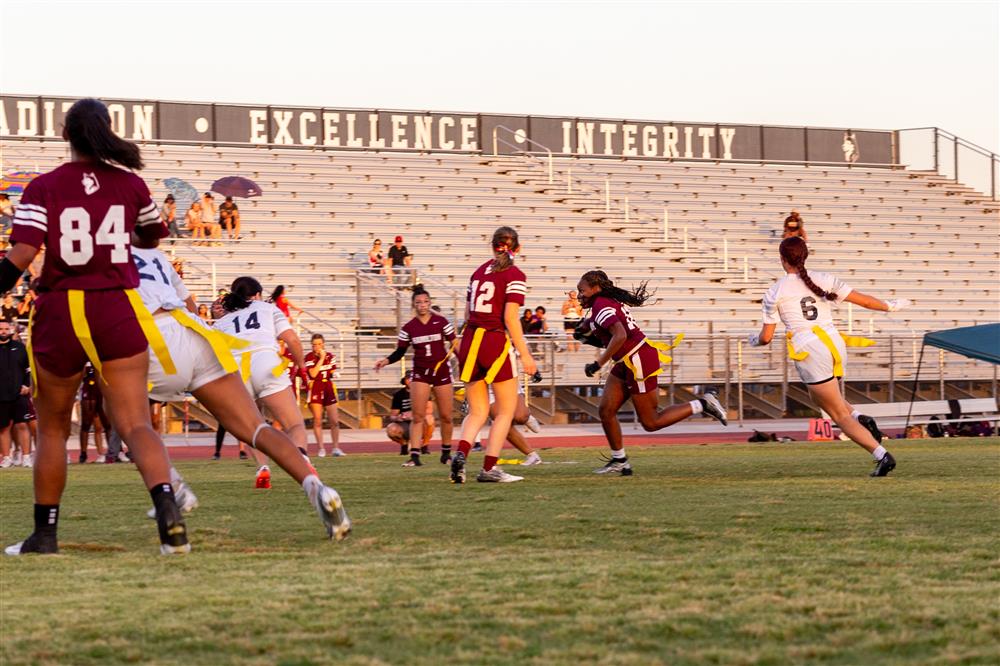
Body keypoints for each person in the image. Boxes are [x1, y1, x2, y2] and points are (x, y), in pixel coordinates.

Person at [0, 97, 191, 555]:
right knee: (135, 423)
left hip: (62, 309)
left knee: (50, 429)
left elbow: (22, 256)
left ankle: (45, 535)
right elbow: (152, 234)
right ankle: (167, 509)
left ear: (66, 134)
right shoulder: (130, 184)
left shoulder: (44, 186)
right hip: (116, 307)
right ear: (106, 131)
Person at [131, 239, 348, 538]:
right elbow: (192, 306)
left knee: (130, 421)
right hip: (211, 343)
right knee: (272, 426)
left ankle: (176, 487)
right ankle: (315, 484)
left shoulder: (105, 253)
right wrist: (301, 368)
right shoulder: (157, 257)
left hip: (181, 348)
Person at [746, 236, 911, 477]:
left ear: (782, 260)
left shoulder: (776, 290)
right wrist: (891, 306)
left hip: (810, 350)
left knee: (836, 414)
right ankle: (860, 417)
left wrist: (754, 340)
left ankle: (882, 455)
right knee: (822, 399)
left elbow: (766, 337)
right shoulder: (824, 278)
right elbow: (864, 300)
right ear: (805, 256)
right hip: (834, 343)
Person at [575, 270, 728, 475]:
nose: (579, 295)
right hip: (627, 360)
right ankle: (620, 460)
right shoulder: (601, 304)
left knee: (651, 421)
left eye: (581, 290)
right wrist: (584, 334)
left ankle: (703, 403)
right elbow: (610, 336)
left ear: (595, 289)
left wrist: (598, 363)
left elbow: (619, 335)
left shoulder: (601, 304)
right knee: (606, 411)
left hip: (638, 359)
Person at [212, 278, 344, 500]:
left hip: (238, 371)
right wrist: (302, 366)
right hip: (266, 362)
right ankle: (301, 458)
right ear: (257, 294)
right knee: (294, 423)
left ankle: (263, 469)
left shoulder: (224, 321)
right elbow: (291, 338)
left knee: (256, 427)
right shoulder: (267, 308)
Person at [450, 226, 538, 484]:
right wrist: (525, 355)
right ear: (518, 248)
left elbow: (467, 315)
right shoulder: (514, 274)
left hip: (469, 341)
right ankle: (489, 468)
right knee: (505, 411)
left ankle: (461, 455)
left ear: (492, 246)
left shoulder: (478, 272)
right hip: (493, 340)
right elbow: (510, 317)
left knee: (477, 411)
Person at [374, 287, 456, 467]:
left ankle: (446, 453)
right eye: (418, 302)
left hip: (441, 372)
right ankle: (415, 455)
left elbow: (455, 344)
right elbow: (400, 352)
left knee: (446, 416)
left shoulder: (441, 322)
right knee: (417, 416)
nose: (422, 305)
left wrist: (467, 363)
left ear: (430, 302)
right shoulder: (409, 327)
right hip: (421, 373)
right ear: (413, 305)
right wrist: (385, 361)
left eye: (425, 302)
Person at [304, 334, 343, 457]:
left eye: (319, 344)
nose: (317, 347)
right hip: (316, 387)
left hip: (328, 387)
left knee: (335, 421)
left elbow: (330, 372)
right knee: (317, 420)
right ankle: (321, 448)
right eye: (314, 344)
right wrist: (321, 359)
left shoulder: (330, 356)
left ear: (323, 344)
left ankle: (336, 448)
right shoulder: (309, 357)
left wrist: (334, 374)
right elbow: (313, 374)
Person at [0, 320, 31, 469]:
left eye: (6, 329)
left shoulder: (20, 348)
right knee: (3, 428)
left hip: (19, 394)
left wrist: (27, 385)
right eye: (1, 329)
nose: (4, 331)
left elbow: (28, 370)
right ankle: (6, 458)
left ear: (11, 330)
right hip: (1, 396)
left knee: (22, 425)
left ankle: (26, 457)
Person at [77, 363, 109, 464]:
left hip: (103, 388)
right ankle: (83, 453)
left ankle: (113, 452)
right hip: (89, 389)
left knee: (106, 424)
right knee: (86, 423)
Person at [385, 375, 413, 453]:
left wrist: (414, 414)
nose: (410, 380)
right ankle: (404, 444)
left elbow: (429, 410)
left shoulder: (422, 391)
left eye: (412, 378)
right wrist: (399, 417)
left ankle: (424, 446)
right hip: (405, 423)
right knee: (391, 429)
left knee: (429, 419)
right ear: (404, 381)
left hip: (420, 421)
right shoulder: (399, 394)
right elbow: (393, 416)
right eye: (408, 379)